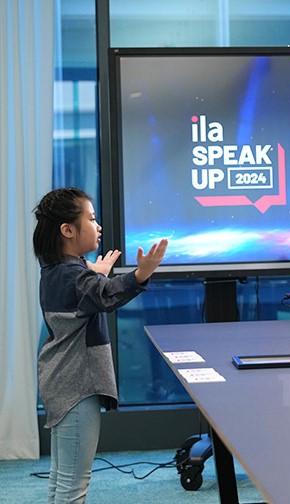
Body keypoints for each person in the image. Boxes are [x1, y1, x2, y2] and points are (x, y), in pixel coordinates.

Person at [33, 187, 168, 504]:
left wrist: (95, 273)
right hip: (78, 387)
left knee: (61, 481)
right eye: (91, 219)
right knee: (72, 486)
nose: (98, 226)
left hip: (61, 384)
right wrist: (141, 274)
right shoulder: (75, 277)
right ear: (68, 230)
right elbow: (105, 295)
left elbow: (90, 289)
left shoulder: (55, 270)